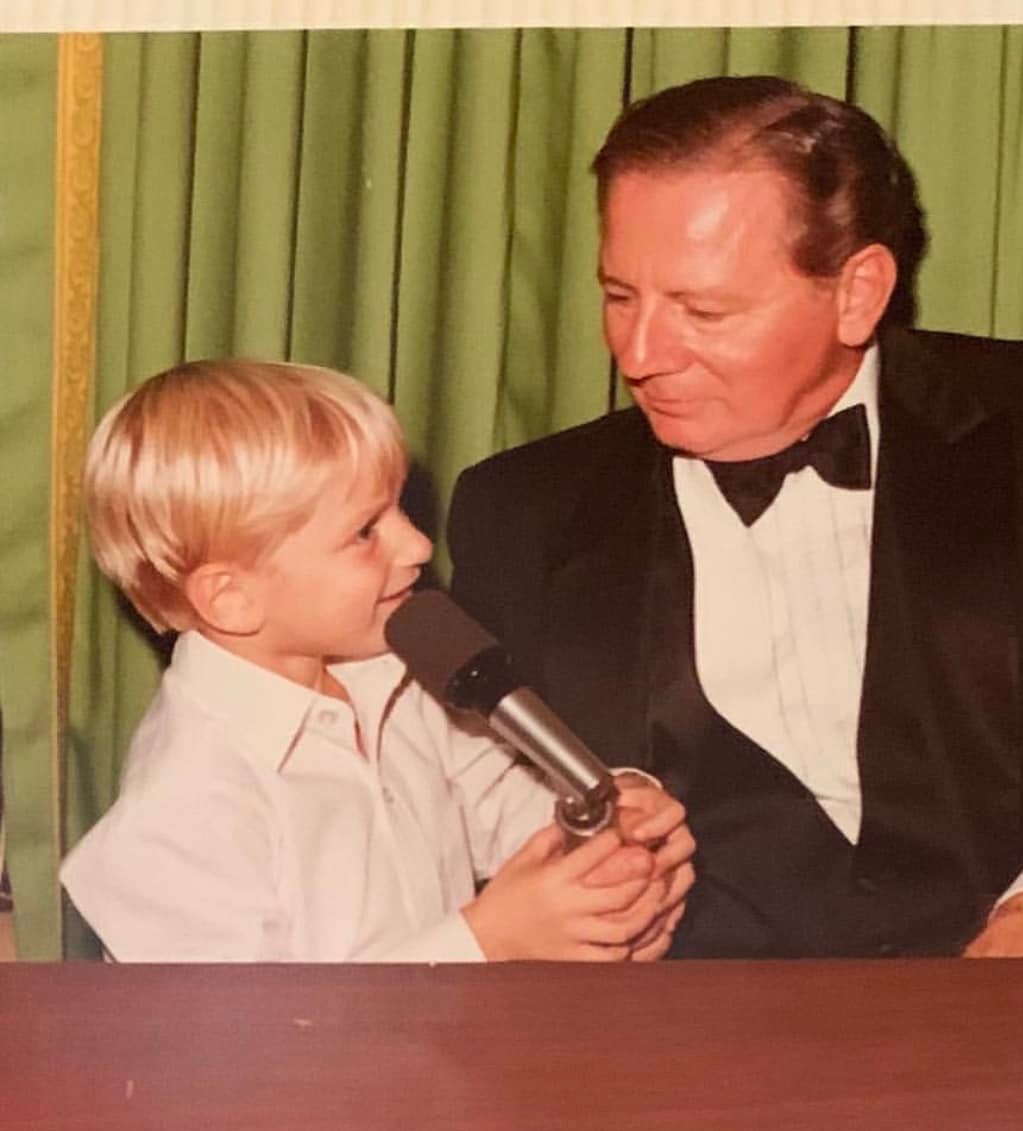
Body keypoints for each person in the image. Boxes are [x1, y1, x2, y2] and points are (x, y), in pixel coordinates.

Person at [447, 75, 1023, 959]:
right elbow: (458, 798)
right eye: (620, 297)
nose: (639, 353)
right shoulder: (522, 509)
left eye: (702, 310)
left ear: (858, 291)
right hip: (677, 1027)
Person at [60, 359, 693, 963]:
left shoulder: (396, 676)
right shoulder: (182, 812)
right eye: (365, 532)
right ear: (232, 598)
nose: (417, 545)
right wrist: (487, 940)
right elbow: (254, 1031)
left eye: (401, 510)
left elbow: (504, 800)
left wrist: (604, 826)